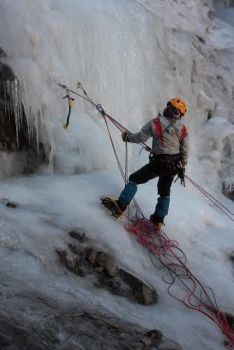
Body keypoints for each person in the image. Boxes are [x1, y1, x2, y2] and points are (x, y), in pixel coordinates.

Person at [102, 98, 189, 230]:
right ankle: (158, 221)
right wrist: (182, 166)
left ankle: (120, 206)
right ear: (180, 114)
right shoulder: (183, 129)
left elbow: (140, 137)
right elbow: (185, 150)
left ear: (168, 108)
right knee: (165, 192)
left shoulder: (157, 122)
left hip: (159, 163)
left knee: (134, 179)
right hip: (174, 166)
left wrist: (128, 137)